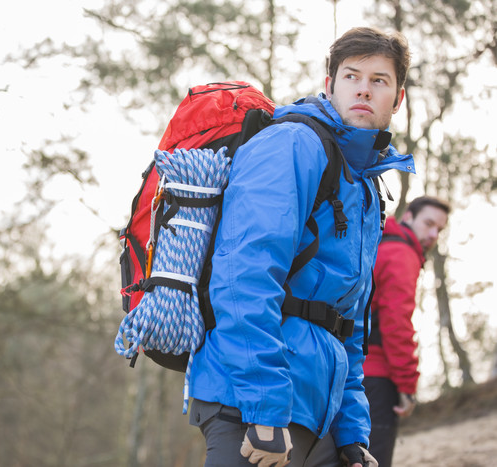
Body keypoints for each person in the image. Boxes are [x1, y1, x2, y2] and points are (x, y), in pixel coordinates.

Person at [187, 27, 415, 467]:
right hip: (250, 400)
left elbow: (345, 321)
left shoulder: (364, 184)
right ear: (329, 85)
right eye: (352, 76)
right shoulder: (292, 144)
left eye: (379, 80)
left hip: (315, 409)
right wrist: (265, 407)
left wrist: (351, 432)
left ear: (397, 98)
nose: (363, 89)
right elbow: (244, 274)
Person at [363, 196, 450, 466]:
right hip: (376, 376)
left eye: (440, 229)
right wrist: (406, 384)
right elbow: (396, 323)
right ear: (408, 217)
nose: (433, 234)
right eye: (429, 223)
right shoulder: (401, 253)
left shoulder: (382, 245)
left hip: (356, 371)